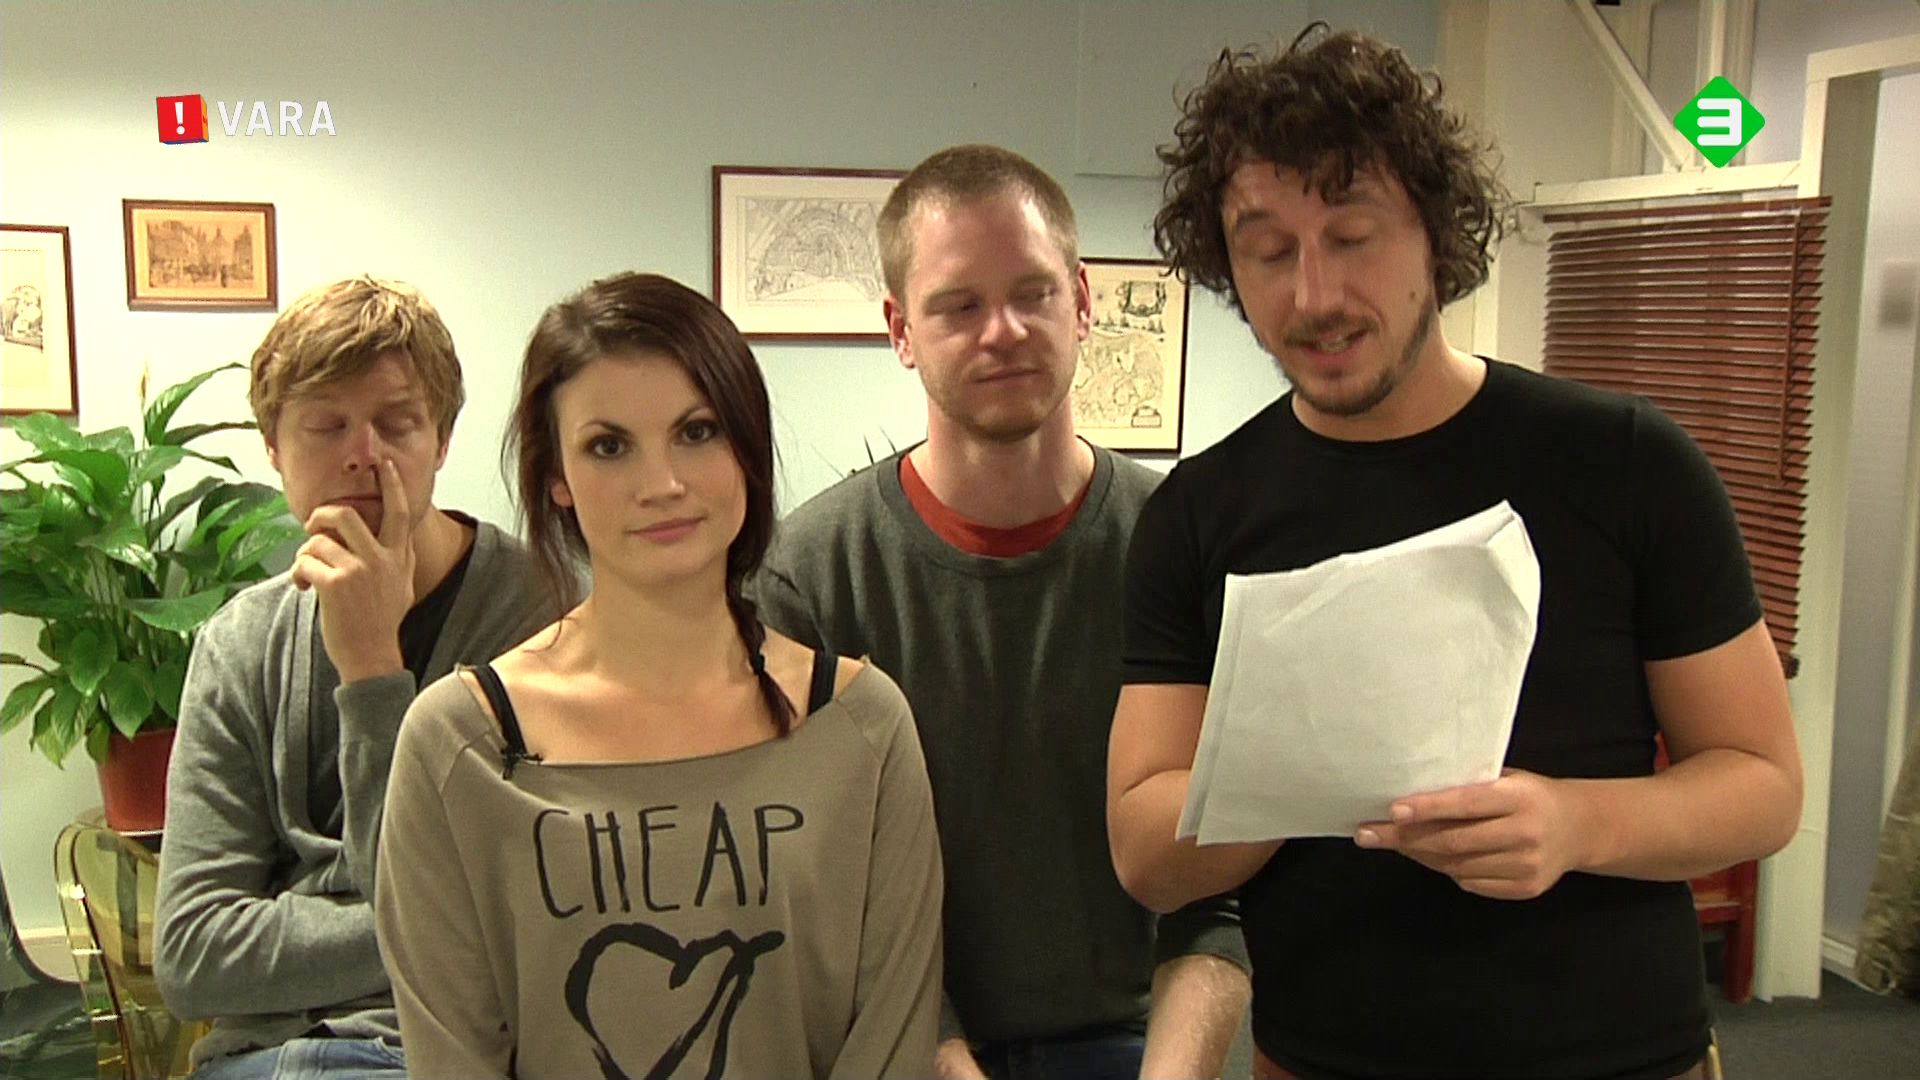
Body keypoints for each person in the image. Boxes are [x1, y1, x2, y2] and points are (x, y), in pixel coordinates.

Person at [1106, 26, 1805, 1080]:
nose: (1314, 295)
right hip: (1323, 1061)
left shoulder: (1625, 462)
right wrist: (1299, 772)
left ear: (1436, 235)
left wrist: (1575, 822)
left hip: (1623, 1059)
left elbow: (1762, 785)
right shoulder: (1199, 515)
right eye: (1269, 251)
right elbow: (1146, 854)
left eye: (1353, 236)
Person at [753, 144, 1250, 1080]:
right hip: (903, 1044)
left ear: (1083, 300)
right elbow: (820, 892)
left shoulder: (1185, 548)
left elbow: (1219, 893)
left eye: (1033, 293)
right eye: (959, 306)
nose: (1005, 331)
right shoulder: (811, 576)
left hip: (1143, 1042)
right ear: (901, 330)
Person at [373, 272, 942, 1079]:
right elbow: (453, 1056)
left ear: (745, 448)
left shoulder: (861, 726)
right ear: (557, 477)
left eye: (698, 432)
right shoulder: (459, 743)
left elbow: (893, 1041)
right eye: (609, 447)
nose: (663, 484)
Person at [155, 276, 550, 1079]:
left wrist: (373, 671)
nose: (363, 454)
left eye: (397, 423)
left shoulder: (540, 615)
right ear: (274, 449)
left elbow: (530, 928)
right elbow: (193, 955)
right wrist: (433, 929)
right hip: (259, 1059)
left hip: (450, 1053)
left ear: (441, 441)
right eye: (325, 425)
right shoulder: (242, 640)